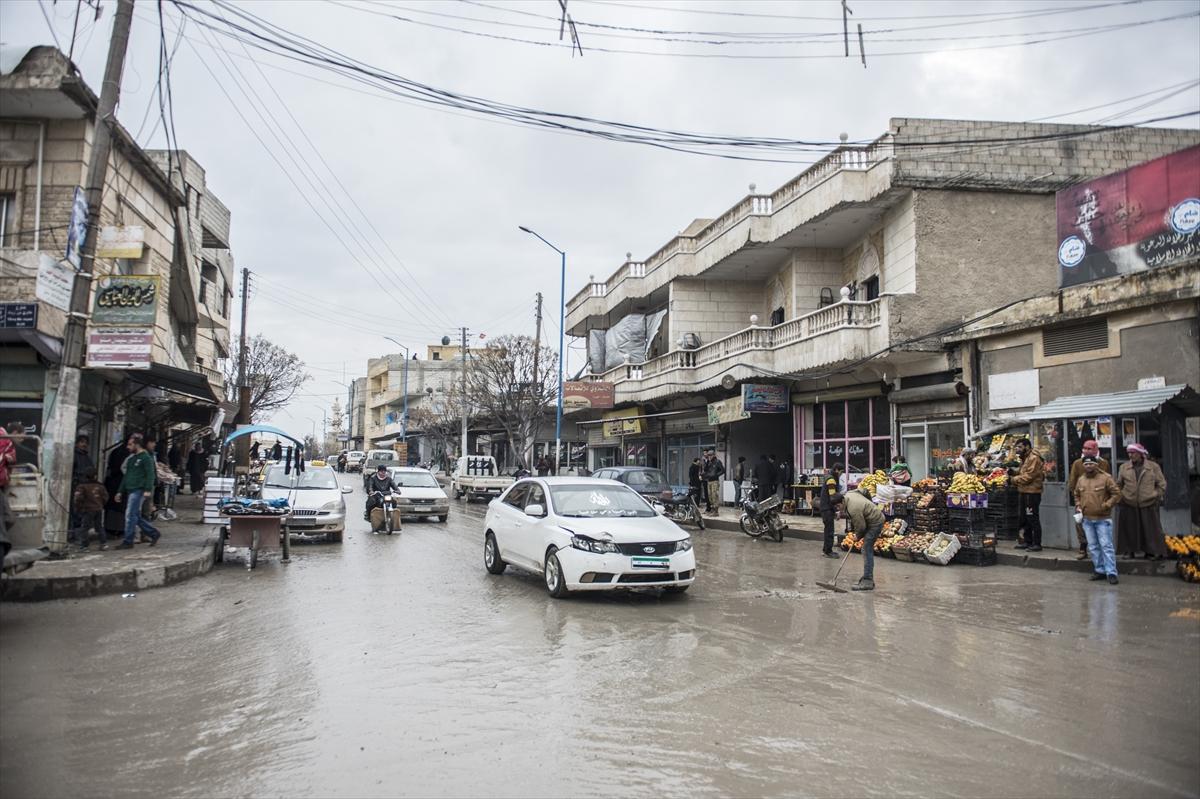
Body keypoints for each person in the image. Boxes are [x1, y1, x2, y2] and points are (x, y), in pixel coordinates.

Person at [1115, 443, 1167, 559]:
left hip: (1148, 503)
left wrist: (1156, 495)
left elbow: (1161, 484)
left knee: (1150, 530)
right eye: (1129, 453)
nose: (1130, 455)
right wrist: (1121, 497)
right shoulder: (1124, 467)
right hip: (1129, 502)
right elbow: (1118, 484)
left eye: (1133, 453)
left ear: (1140, 454)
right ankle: (1129, 551)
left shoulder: (1153, 467)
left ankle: (1151, 552)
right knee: (1129, 529)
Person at [1074, 455, 1121, 585]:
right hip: (1087, 519)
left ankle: (1111, 572)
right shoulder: (1081, 479)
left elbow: (1117, 494)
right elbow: (1076, 494)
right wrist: (1078, 505)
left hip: (1103, 519)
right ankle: (1099, 570)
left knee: (1106, 546)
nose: (1088, 466)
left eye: (1091, 464)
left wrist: (1106, 505)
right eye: (1086, 464)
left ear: (1096, 464)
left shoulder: (1106, 478)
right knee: (1093, 547)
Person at [114, 434, 160, 549]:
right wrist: (120, 491)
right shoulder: (132, 459)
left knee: (130, 515)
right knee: (135, 516)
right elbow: (126, 476)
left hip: (139, 490)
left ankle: (128, 541)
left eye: (130, 445)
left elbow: (150, 474)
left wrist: (148, 489)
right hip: (131, 490)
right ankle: (154, 533)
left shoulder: (146, 458)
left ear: (137, 445)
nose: (128, 447)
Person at [1067, 440, 1110, 560]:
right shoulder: (1077, 463)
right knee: (1080, 525)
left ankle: (1100, 551)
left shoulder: (1103, 463)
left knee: (1099, 526)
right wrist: (1077, 500)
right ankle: (1083, 548)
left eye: (1089, 449)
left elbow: (1108, 482)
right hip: (1082, 499)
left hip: (1099, 499)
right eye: (1084, 448)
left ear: (1096, 449)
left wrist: (1106, 501)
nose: (1085, 451)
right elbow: (1072, 481)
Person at [836, 487, 885, 591]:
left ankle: (868, 580)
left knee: (866, 549)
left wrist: (857, 536)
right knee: (865, 548)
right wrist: (869, 503)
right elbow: (865, 491)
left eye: (838, 506)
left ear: (842, 501)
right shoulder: (849, 493)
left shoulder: (853, 509)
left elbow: (861, 527)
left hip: (876, 522)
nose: (838, 509)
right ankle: (867, 577)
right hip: (871, 517)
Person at [1012, 439, 1045, 552]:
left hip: (1032, 493)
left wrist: (1014, 479)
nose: (1017, 449)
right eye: (1016, 447)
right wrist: (1014, 472)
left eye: (1020, 447)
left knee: (1032, 517)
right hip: (1024, 491)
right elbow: (1023, 472)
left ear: (1027, 447)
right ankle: (1027, 541)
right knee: (1024, 518)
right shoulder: (1025, 458)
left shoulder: (1033, 458)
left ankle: (1037, 544)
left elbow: (1029, 476)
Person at [72, 469, 109, 551]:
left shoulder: (82, 486)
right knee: (99, 527)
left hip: (87, 509)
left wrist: (77, 508)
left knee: (84, 528)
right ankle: (103, 544)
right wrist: (100, 504)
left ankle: (84, 546)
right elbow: (105, 497)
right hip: (98, 509)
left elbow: (77, 498)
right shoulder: (100, 486)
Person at [818, 465, 843, 558]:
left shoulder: (829, 477)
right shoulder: (831, 480)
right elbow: (833, 497)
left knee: (828, 530)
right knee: (829, 531)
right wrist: (837, 509)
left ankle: (826, 550)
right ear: (836, 470)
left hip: (826, 508)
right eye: (841, 472)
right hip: (827, 509)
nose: (841, 474)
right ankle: (828, 551)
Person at [701, 450, 725, 514]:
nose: (709, 456)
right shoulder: (709, 462)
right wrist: (707, 462)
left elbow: (723, 470)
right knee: (710, 496)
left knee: (714, 496)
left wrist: (716, 475)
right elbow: (705, 470)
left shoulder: (717, 462)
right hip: (709, 480)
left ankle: (716, 511)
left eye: (711, 455)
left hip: (715, 481)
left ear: (714, 455)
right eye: (708, 455)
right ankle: (712, 509)